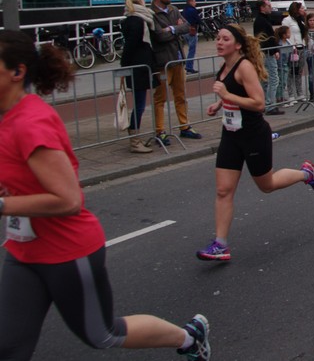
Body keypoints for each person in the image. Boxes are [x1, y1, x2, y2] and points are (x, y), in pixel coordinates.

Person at [0, 30, 211, 360]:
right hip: (24, 251)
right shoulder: (7, 117)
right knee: (8, 346)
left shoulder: (31, 123)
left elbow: (68, 200)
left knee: (102, 333)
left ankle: (189, 337)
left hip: (67, 252)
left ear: (17, 71)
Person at [197, 24, 314, 262]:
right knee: (223, 190)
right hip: (230, 134)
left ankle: (306, 173)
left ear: (237, 45)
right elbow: (233, 92)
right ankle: (220, 245)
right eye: (218, 38)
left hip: (253, 135)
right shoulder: (225, 65)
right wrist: (220, 104)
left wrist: (226, 96)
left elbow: (259, 103)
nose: (219, 42)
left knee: (267, 185)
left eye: (225, 39)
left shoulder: (244, 66)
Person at [150, 0, 201, 145]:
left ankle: (184, 126)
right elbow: (159, 36)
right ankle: (160, 131)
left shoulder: (173, 9)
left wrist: (171, 29)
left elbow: (186, 26)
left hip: (178, 59)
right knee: (160, 98)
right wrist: (177, 28)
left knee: (181, 95)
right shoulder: (152, 13)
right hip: (163, 62)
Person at [120, 0, 157, 153]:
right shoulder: (137, 20)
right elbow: (131, 45)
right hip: (139, 67)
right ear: (139, 1)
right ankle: (134, 140)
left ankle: (136, 137)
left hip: (139, 66)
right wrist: (124, 65)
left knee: (140, 103)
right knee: (139, 104)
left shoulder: (133, 19)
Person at [252, 0, 283, 115]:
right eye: (268, 6)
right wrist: (274, 50)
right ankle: (270, 104)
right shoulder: (261, 21)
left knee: (265, 79)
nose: (271, 7)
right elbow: (266, 39)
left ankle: (265, 103)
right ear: (262, 8)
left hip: (265, 52)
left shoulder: (263, 19)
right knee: (273, 79)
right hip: (267, 53)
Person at [281, 1, 307, 103]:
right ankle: (291, 94)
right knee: (291, 72)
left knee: (299, 72)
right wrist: (292, 45)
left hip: (301, 47)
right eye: (301, 8)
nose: (303, 10)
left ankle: (300, 93)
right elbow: (285, 35)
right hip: (292, 49)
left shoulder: (301, 20)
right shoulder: (287, 20)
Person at [181, 0, 201, 74]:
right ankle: (189, 67)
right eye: (194, 1)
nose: (195, 3)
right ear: (191, 2)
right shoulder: (193, 10)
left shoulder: (184, 10)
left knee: (182, 49)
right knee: (192, 50)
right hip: (192, 31)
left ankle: (182, 66)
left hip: (184, 31)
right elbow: (198, 20)